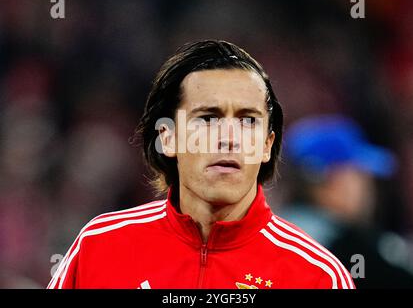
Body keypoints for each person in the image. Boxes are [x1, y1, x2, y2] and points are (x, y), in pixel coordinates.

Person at [48, 40, 355, 289]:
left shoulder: (317, 277)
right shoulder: (99, 249)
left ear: (266, 145)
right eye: (208, 119)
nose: (229, 139)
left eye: (248, 120)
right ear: (167, 137)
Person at [278, 114, 413, 288]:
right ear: (329, 182)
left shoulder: (275, 233)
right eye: (359, 175)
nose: (369, 188)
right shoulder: (340, 247)